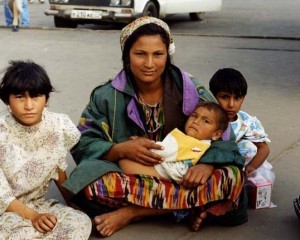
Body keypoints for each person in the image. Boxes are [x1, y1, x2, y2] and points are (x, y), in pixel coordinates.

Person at [63, 16, 247, 237]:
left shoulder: (190, 88)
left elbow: (226, 137)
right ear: (126, 55)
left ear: (167, 55)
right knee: (89, 186)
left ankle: (134, 212)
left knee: (232, 176)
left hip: (188, 174)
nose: (149, 64)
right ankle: (186, 207)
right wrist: (120, 150)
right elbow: (82, 142)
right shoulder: (106, 96)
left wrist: (207, 165)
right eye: (140, 54)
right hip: (140, 176)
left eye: (158, 54)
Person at [0, 60, 92, 239]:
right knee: (18, 233)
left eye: (35, 97)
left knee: (80, 222)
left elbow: (58, 169)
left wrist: (73, 206)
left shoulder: (58, 125)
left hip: (38, 205)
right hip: (6, 210)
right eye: (20, 97)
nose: (28, 106)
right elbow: (1, 194)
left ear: (47, 99)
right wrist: (33, 217)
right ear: (7, 100)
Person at [119, 101, 240, 183]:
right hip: (172, 171)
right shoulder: (201, 144)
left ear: (217, 134)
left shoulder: (190, 142)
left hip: (165, 174)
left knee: (124, 161)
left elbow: (163, 152)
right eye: (194, 116)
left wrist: (143, 144)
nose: (196, 121)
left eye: (205, 121)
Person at [209, 68, 275, 184]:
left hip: (241, 167)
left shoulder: (246, 122)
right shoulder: (206, 119)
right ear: (213, 96)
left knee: (249, 147)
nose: (231, 104)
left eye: (237, 98)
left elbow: (264, 148)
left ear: (243, 98)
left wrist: (252, 167)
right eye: (225, 97)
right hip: (214, 164)